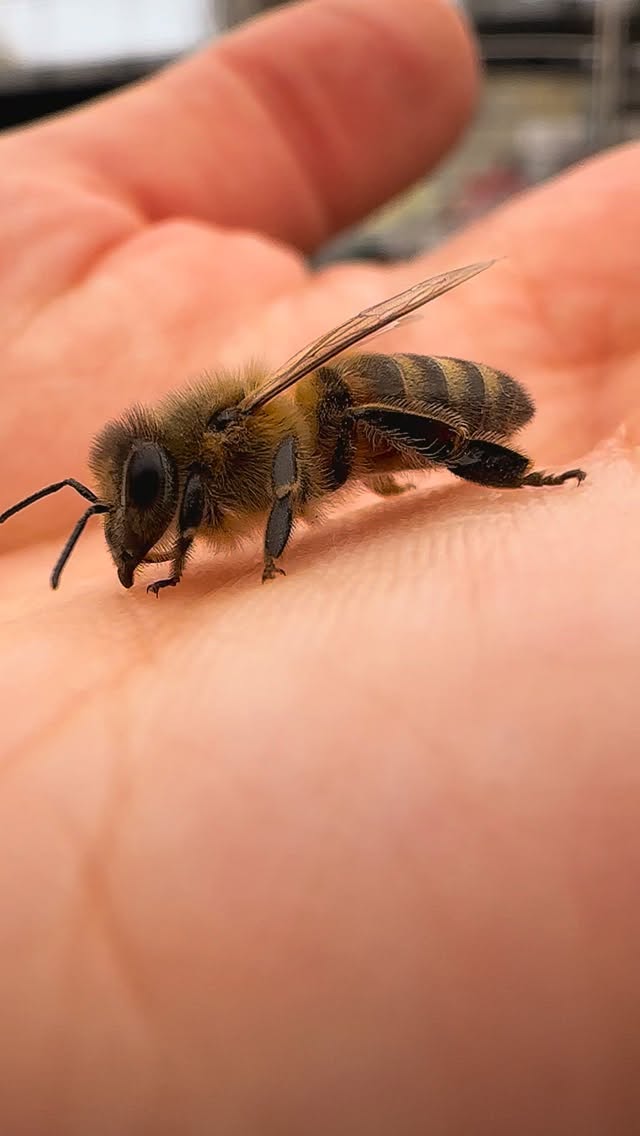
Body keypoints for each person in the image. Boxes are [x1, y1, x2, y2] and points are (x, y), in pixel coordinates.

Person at [0, 1, 638, 1131]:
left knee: (353, 413)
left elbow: (278, 463)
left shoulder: (237, 445)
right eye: (133, 513)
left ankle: (508, 474)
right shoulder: (181, 475)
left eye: (142, 507)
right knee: (341, 423)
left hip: (400, 401)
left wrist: (274, 549)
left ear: (188, 468)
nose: (131, 525)